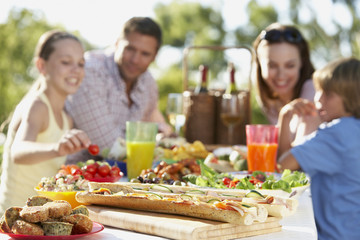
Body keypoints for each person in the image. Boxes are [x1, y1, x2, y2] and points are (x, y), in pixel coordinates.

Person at [0, 30, 91, 214]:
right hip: (15, 217)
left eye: (81, 64)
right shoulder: (37, 106)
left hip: (41, 215)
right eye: (66, 62)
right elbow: (19, 151)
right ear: (42, 65)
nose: (76, 70)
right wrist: (57, 148)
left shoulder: (66, 118)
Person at [65, 17, 172, 164]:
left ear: (154, 57)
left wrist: (159, 133)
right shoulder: (90, 71)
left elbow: (155, 130)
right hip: (76, 177)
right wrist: (156, 138)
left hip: (124, 174)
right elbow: (110, 148)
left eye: (145, 54)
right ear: (116, 43)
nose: (135, 59)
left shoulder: (148, 82)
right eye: (130, 49)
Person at [278, 57, 360, 239]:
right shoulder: (353, 129)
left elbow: (282, 165)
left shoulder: (337, 133)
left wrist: (285, 116)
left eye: (328, 94)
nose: (317, 99)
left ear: (351, 97)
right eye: (318, 91)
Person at [252, 22, 316, 125]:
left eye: (290, 65)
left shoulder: (313, 91)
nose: (281, 76)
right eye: (272, 66)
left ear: (302, 63)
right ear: (259, 65)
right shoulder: (268, 100)